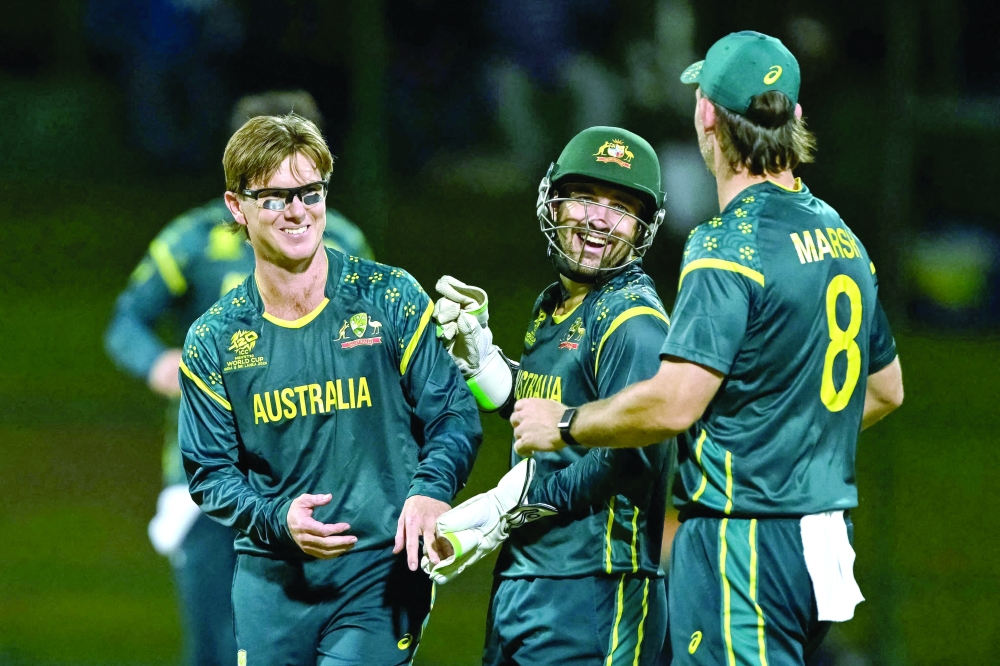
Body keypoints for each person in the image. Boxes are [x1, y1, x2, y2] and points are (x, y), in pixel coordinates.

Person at [511, 31, 904, 665]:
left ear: (706, 116)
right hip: (825, 540)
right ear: (796, 118)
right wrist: (790, 446)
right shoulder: (843, 237)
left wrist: (566, 423)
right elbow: (887, 389)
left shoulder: (727, 245)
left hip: (743, 541)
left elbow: (672, 405)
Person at [176, 111, 483, 665]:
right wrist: (276, 521)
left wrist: (431, 490)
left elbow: (453, 414)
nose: (297, 211)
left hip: (379, 576)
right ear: (235, 207)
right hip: (272, 587)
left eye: (310, 192)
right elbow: (210, 473)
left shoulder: (389, 297)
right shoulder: (214, 339)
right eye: (273, 197)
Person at [104, 91, 372, 666]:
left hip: (309, 472)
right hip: (211, 474)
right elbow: (127, 320)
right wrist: (160, 363)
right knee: (215, 645)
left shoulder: (344, 241)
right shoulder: (193, 240)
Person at [426, 126, 675, 665]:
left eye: (621, 207)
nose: (598, 220)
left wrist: (515, 504)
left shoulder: (632, 324)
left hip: (595, 589)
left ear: (642, 226)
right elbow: (547, 409)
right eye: (585, 198)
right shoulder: (558, 307)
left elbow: (637, 456)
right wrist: (483, 364)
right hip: (527, 579)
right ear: (553, 203)